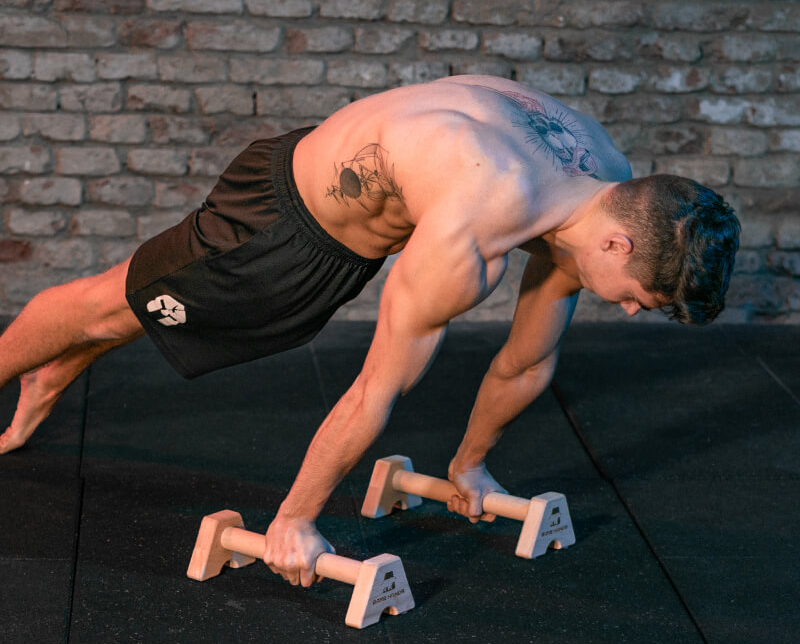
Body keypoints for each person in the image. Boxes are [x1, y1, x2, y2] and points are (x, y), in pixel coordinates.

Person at [0, 75, 740, 586]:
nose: (636, 310)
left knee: (151, 308)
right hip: (278, 230)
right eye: (644, 297)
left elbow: (525, 362)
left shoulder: (602, 180)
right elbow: (375, 389)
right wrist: (295, 520)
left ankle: (52, 370)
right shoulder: (478, 223)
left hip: (348, 228)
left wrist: (469, 466)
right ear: (618, 247)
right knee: (110, 303)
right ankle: (29, 363)